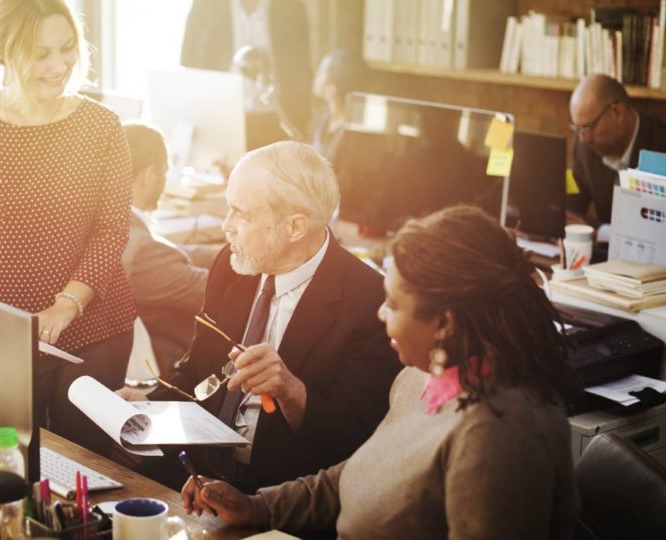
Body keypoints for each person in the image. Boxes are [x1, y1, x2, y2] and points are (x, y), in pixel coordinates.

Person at [183, 206, 579, 538]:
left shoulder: (497, 435)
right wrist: (256, 508)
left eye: (392, 304)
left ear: (443, 324)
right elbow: (361, 473)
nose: (379, 313)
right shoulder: (420, 376)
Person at [121, 141, 400, 493]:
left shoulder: (368, 301)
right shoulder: (231, 266)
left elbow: (354, 442)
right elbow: (196, 371)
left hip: (281, 489)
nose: (227, 226)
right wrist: (149, 401)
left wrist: (291, 391)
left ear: (295, 227)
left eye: (242, 214)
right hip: (197, 468)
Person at [0, 0, 136, 453]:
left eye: (66, 49)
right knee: (1, 459)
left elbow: (112, 229)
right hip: (1, 336)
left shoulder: (102, 127)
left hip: (92, 327)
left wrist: (66, 305)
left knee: (80, 461)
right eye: (41, 53)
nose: (59, 65)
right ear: (4, 52)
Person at [121, 122, 217, 374]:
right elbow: (215, 291)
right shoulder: (142, 253)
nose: (165, 183)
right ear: (149, 175)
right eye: (164, 173)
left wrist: (224, 251)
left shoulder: (114, 224)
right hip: (171, 365)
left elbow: (169, 249)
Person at [181, 0, 312, 149]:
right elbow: (189, 62)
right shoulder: (206, 5)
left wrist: (301, 121)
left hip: (277, 119)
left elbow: (303, 68)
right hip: (222, 120)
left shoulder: (290, 5)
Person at [569, 74, 666, 229]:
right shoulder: (585, 148)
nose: (583, 139)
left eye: (587, 128)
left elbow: (656, 228)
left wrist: (597, 231)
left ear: (617, 112)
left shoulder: (660, 147)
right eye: (578, 129)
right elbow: (572, 210)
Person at [308, 50, 362, 162]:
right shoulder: (321, 116)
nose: (316, 73)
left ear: (331, 89)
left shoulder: (352, 134)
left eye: (321, 71)